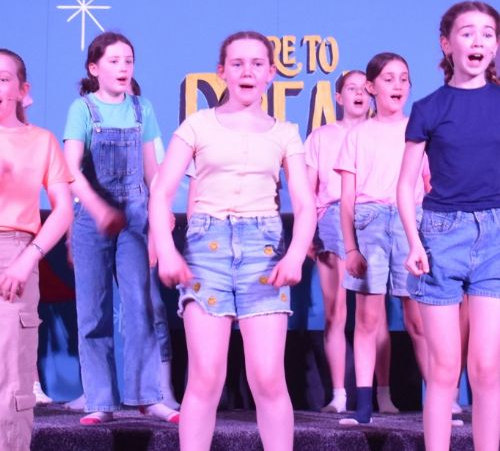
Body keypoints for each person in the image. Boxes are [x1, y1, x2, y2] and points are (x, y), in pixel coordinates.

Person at [150, 31, 316, 451]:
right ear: (221, 71)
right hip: (207, 249)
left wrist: (296, 254)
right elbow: (161, 192)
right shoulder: (198, 125)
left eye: (257, 63)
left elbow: (305, 202)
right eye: (237, 63)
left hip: (264, 251)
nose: (248, 71)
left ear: (271, 73)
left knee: (268, 377)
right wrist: (166, 250)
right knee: (206, 377)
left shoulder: (285, 132)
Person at [397, 0, 500, 451]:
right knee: (443, 369)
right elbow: (405, 185)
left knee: (488, 368)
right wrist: (413, 241)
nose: (478, 41)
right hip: (442, 235)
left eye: (488, 33)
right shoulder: (429, 108)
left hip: (496, 235)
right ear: (446, 44)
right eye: (467, 32)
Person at [63, 32, 179, 425]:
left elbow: (153, 174)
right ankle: (100, 400)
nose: (123, 67)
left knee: (141, 305)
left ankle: (148, 396)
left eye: (128, 60)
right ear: (94, 69)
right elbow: (70, 169)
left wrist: (159, 220)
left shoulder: (142, 108)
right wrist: (98, 210)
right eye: (113, 61)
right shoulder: (82, 109)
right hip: (92, 219)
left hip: (134, 217)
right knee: (92, 312)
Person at [335, 53, 428, 425]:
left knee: (418, 318)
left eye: (404, 78)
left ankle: (442, 399)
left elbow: (429, 185)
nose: (398, 85)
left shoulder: (419, 131)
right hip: (370, 222)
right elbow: (347, 199)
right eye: (389, 79)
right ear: (371, 87)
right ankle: (363, 406)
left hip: (410, 222)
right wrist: (351, 248)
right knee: (367, 319)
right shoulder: (357, 135)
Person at [305, 70, 398, 414]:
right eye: (351, 89)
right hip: (332, 217)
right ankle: (340, 394)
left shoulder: (382, 132)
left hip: (375, 217)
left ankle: (382, 393)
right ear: (339, 97)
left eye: (363, 88)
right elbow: (308, 189)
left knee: (375, 314)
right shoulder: (321, 137)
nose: (359, 94)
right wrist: (307, 233)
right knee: (336, 311)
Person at [0, 48, 73, 450]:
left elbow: (62, 210)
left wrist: (29, 257)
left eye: (2, 78)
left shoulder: (40, 141)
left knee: (11, 380)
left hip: (14, 253)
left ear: (21, 89)